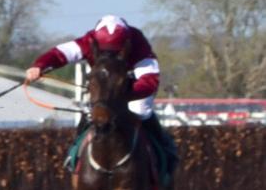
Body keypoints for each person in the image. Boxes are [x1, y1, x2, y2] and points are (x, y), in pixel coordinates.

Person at [25, 15, 177, 177]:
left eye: (115, 51)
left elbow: (149, 82)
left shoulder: (138, 45)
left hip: (131, 87)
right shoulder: (88, 41)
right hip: (103, 86)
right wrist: (39, 66)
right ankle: (75, 154)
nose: (109, 55)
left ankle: (164, 152)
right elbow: (60, 53)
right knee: (93, 111)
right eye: (104, 51)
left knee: (140, 109)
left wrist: (123, 95)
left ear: (126, 44)